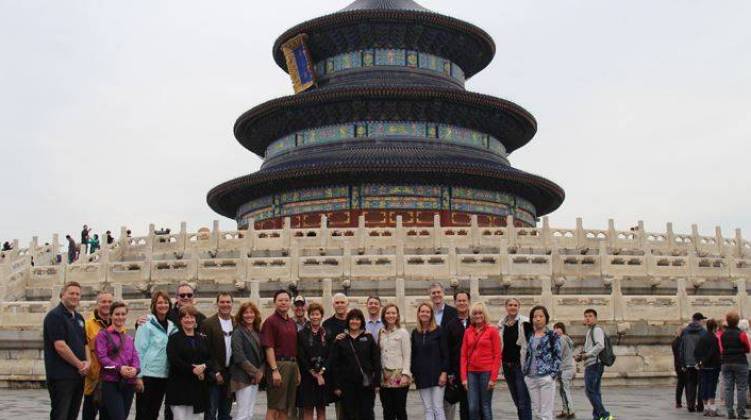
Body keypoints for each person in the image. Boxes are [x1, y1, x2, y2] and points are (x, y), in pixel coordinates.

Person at [43, 281, 89, 420]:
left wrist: (87, 362)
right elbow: (60, 346)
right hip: (61, 376)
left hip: (78, 375)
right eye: (71, 293)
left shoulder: (79, 318)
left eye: (77, 294)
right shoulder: (55, 316)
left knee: (72, 415)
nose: (75, 296)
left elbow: (85, 343)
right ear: (62, 295)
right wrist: (79, 364)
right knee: (60, 415)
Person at [328, 308, 381, 420]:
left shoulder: (369, 338)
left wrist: (376, 383)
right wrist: (337, 385)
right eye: (352, 319)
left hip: (366, 384)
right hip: (347, 385)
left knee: (366, 414)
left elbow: (376, 361)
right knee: (348, 414)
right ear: (348, 321)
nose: (354, 322)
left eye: (357, 319)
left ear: (361, 321)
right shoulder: (341, 340)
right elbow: (335, 365)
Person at [134, 290, 178, 420]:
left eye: (165, 302)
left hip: (164, 375)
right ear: (154, 305)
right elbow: (138, 350)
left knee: (154, 413)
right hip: (147, 375)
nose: (163, 305)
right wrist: (138, 376)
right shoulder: (146, 323)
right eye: (159, 302)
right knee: (142, 414)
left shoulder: (172, 326)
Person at [95, 302, 140, 420]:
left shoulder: (129, 338)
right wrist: (119, 369)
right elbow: (102, 360)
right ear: (111, 316)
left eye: (123, 314)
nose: (120, 317)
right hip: (111, 382)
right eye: (117, 314)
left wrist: (135, 369)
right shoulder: (102, 335)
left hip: (128, 383)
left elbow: (135, 357)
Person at [166, 305, 213, 419]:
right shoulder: (174, 338)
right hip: (179, 388)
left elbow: (211, 358)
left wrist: (203, 367)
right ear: (180, 320)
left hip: (198, 388)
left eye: (192, 317)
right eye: (185, 317)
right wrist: (193, 369)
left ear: (195, 320)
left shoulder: (202, 338)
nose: (189, 320)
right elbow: (174, 359)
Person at [261, 289, 301, 420]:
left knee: (286, 407)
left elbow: (295, 348)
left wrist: (298, 370)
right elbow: (269, 347)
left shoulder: (292, 323)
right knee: (274, 406)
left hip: (292, 365)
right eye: (280, 300)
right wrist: (274, 370)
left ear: (290, 303)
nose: (283, 303)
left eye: (286, 300)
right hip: (278, 364)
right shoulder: (270, 321)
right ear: (275, 302)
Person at [460, 302, 501, 420]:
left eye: (480, 313)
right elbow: (463, 355)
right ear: (471, 315)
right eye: (475, 313)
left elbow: (497, 355)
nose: (478, 315)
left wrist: (493, 378)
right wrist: (463, 377)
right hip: (471, 372)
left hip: (486, 372)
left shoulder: (492, 331)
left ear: (485, 314)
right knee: (472, 407)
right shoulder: (468, 331)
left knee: (485, 406)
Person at [202, 293, 236, 420]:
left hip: (230, 374)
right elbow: (206, 350)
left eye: (228, 302)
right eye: (222, 302)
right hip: (214, 374)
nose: (225, 305)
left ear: (232, 304)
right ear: (217, 304)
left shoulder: (236, 322)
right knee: (211, 411)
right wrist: (215, 372)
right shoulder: (208, 323)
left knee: (226, 412)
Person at [523, 306, 561, 420]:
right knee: (537, 412)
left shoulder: (552, 335)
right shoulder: (530, 335)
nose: (538, 319)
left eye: (541, 316)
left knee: (546, 412)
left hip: (546, 376)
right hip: (531, 376)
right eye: (535, 316)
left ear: (546, 318)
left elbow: (558, 356)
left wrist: (552, 375)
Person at [412, 302, 449, 420]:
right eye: (422, 311)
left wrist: (444, 373)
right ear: (418, 314)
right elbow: (413, 354)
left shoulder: (439, 330)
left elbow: (445, 354)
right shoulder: (415, 332)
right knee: (427, 408)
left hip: (437, 375)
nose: (424, 314)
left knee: (438, 407)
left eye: (427, 312)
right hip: (422, 375)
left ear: (431, 314)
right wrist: (414, 373)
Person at [574, 309, 613, 420]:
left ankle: (604, 415)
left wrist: (587, 355)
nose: (588, 318)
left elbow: (600, 346)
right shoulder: (590, 331)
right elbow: (590, 348)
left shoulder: (596, 330)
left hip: (594, 364)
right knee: (595, 391)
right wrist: (581, 355)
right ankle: (597, 416)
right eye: (586, 316)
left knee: (590, 391)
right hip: (593, 363)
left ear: (595, 318)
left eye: (590, 316)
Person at [497, 298, 532, 420]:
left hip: (520, 365)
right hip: (507, 365)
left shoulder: (525, 322)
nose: (513, 307)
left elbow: (531, 344)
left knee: (523, 400)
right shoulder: (501, 324)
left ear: (519, 307)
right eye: (510, 305)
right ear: (506, 307)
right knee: (516, 399)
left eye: (515, 305)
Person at [297, 302, 332, 420]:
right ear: (309, 316)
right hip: (307, 375)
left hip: (323, 375)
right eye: (312, 314)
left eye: (317, 314)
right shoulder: (302, 334)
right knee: (308, 408)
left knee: (321, 408)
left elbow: (330, 355)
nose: (315, 317)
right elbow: (301, 356)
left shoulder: (327, 333)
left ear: (322, 316)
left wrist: (322, 371)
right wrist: (313, 372)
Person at [231, 301, 265, 420]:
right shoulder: (237, 332)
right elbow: (239, 357)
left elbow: (263, 355)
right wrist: (257, 372)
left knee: (250, 413)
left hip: (255, 378)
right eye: (246, 313)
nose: (249, 315)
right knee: (242, 414)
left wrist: (260, 371)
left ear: (255, 315)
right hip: (242, 377)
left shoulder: (258, 331)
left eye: (251, 312)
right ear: (241, 315)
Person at [82, 291, 113, 420]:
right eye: (103, 302)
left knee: (107, 415)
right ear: (97, 304)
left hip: (111, 378)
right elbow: (84, 347)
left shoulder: (117, 323)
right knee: (89, 414)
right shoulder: (88, 324)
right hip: (93, 377)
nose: (106, 305)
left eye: (110, 302)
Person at [378, 303, 411, 420]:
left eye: (393, 313)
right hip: (384, 376)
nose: (390, 315)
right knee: (387, 410)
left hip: (399, 375)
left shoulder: (403, 333)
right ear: (384, 315)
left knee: (400, 409)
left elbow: (407, 355)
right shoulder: (380, 332)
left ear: (397, 316)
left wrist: (406, 374)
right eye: (388, 313)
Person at [444, 290, 471, 420]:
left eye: (464, 300)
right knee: (464, 406)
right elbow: (447, 350)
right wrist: (450, 372)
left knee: (478, 405)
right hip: (458, 370)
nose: (461, 303)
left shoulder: (476, 321)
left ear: (469, 302)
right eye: (459, 301)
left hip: (476, 369)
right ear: (455, 303)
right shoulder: (450, 325)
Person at [719, 310, 751, 419]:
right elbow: (747, 348)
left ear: (727, 321)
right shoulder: (741, 334)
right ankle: (741, 413)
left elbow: (722, 346)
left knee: (728, 388)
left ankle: (730, 412)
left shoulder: (723, 334)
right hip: (740, 362)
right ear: (737, 322)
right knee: (742, 387)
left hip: (726, 362)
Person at [681, 312, 708, 413]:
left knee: (690, 384)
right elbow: (705, 348)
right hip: (699, 362)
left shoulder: (685, 331)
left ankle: (690, 405)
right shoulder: (703, 332)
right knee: (701, 384)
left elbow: (682, 348)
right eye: (702, 320)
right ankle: (700, 406)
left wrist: (683, 362)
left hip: (688, 362)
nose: (703, 322)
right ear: (699, 320)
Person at [694, 318, 721, 417]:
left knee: (704, 386)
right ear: (714, 327)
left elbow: (696, 351)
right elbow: (713, 352)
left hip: (703, 367)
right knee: (712, 386)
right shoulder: (714, 338)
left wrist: (700, 362)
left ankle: (706, 408)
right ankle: (712, 408)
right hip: (713, 366)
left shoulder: (702, 337)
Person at [552, 322, 575, 419]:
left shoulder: (561, 339)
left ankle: (571, 410)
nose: (556, 330)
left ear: (562, 329)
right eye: (554, 328)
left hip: (565, 368)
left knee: (565, 390)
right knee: (563, 390)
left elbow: (558, 353)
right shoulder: (568, 339)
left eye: (558, 328)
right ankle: (565, 410)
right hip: (566, 368)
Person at [672, 326, 686, 409]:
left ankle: (678, 402)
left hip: (677, 365)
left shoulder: (674, 342)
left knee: (680, 384)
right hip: (682, 364)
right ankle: (688, 401)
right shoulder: (681, 342)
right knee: (686, 384)